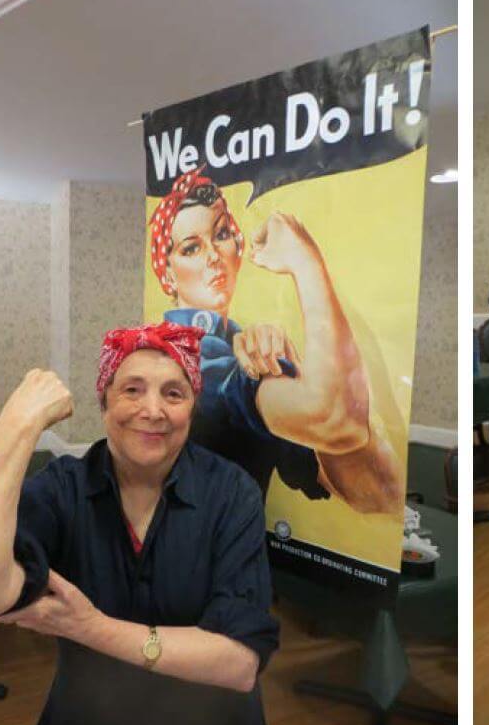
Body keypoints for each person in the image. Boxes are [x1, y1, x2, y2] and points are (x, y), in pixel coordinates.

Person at [0, 322, 279, 725]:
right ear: (104, 402)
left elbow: (239, 663)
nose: (153, 410)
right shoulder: (64, 490)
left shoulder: (232, 493)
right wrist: (17, 426)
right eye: (132, 390)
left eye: (173, 393)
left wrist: (90, 628)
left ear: (192, 408)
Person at [148, 167, 401, 515]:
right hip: (188, 555)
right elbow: (335, 420)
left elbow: (377, 492)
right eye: (191, 248)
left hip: (237, 549)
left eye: (221, 234)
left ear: (237, 245)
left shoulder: (244, 348)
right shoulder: (184, 352)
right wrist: (306, 263)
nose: (212, 256)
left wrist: (295, 372)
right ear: (167, 274)